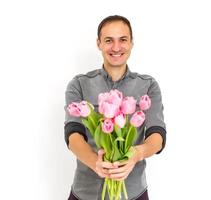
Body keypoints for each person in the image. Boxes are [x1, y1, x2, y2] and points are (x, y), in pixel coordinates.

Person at [64, 15, 166, 200]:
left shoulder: (148, 86)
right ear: (99, 43)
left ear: (132, 43)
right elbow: (73, 136)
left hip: (133, 193)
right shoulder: (78, 84)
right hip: (85, 193)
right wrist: (96, 163)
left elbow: (157, 135)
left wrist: (136, 154)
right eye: (109, 40)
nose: (116, 47)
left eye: (123, 40)